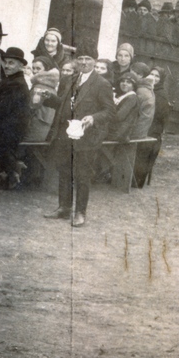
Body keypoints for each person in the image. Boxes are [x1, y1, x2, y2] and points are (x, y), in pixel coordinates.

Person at [41, 49, 116, 227]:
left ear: (94, 60)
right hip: (66, 133)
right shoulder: (70, 79)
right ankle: (64, 208)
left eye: (87, 58)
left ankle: (80, 212)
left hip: (87, 136)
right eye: (80, 58)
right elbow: (63, 104)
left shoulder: (101, 84)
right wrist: (49, 98)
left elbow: (109, 111)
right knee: (64, 170)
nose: (83, 62)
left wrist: (93, 118)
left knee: (82, 174)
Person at [0, 47, 32, 189]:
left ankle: (10, 173)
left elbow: (2, 109)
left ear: (21, 66)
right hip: (9, 127)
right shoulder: (12, 81)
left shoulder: (15, 83)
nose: (6, 66)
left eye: (11, 63)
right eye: (5, 62)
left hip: (10, 129)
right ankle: (9, 172)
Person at [26, 59, 60, 142]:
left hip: (36, 123)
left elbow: (33, 106)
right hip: (44, 122)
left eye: (38, 68)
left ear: (46, 70)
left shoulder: (41, 85)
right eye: (33, 68)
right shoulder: (50, 84)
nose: (34, 71)